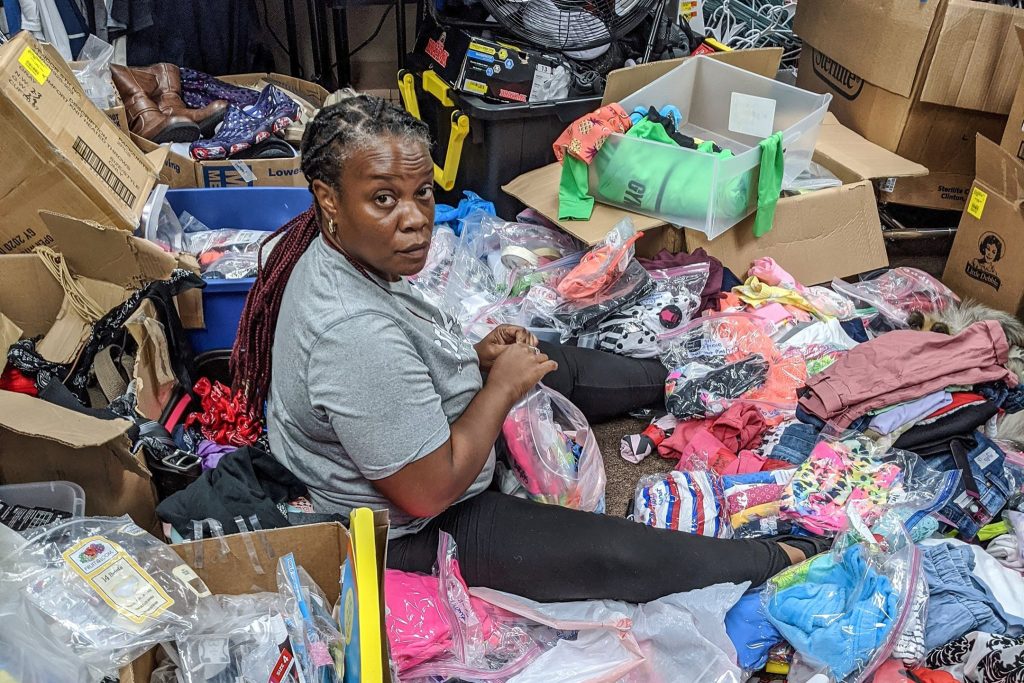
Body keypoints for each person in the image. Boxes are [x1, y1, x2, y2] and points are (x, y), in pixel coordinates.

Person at [232, 96, 827, 604]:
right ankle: (774, 559)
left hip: (415, 439)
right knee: (607, 556)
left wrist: (474, 359)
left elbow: (404, 358)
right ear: (328, 198)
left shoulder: (338, 252)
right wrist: (497, 388)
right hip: (410, 524)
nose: (417, 220)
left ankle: (676, 382)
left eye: (421, 192)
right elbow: (428, 491)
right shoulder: (352, 333)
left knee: (547, 356)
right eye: (384, 199)